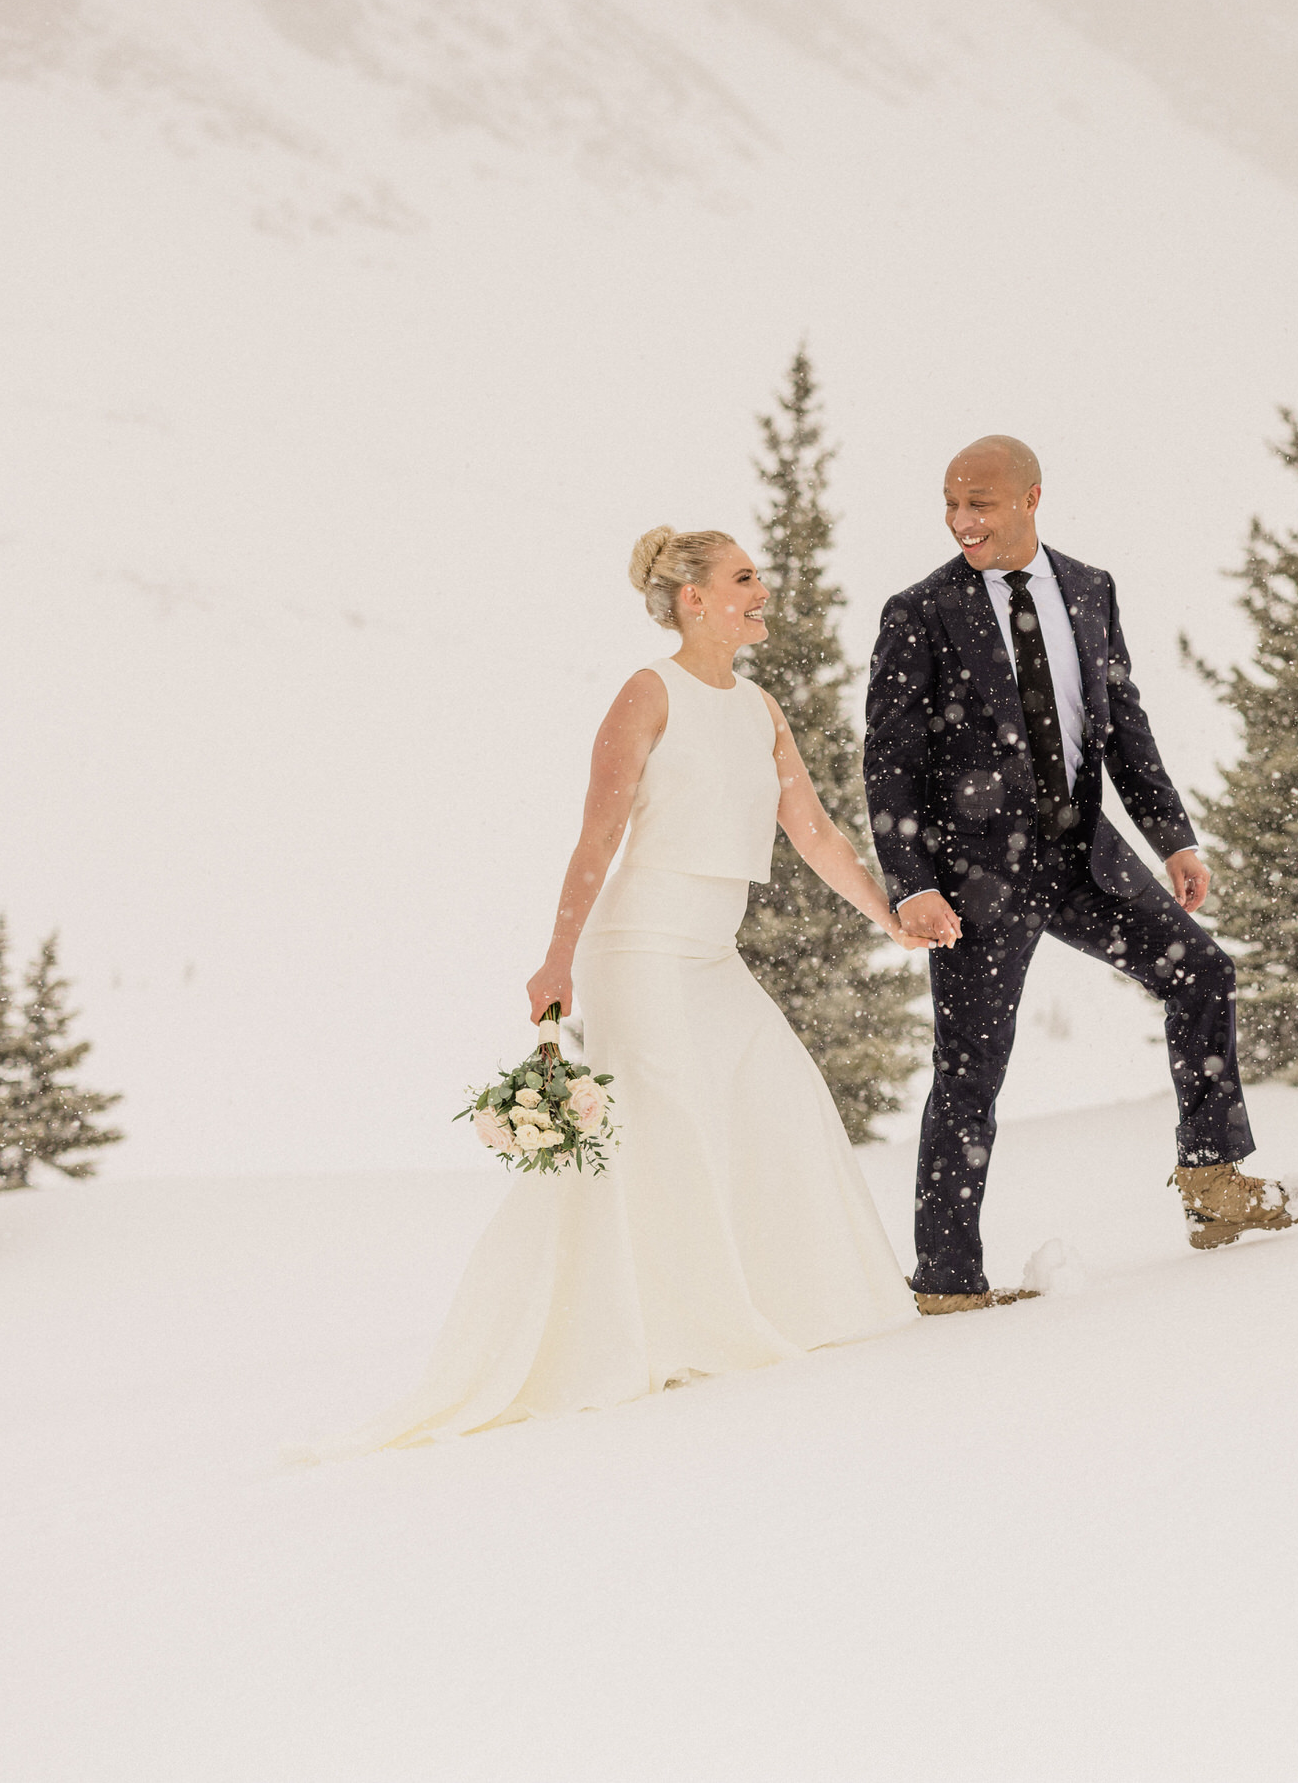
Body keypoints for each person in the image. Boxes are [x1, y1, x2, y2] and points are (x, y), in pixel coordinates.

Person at [324, 527, 922, 1454]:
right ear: (692, 598)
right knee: (664, 1126)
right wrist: (556, 958)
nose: (763, 590)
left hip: (711, 957)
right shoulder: (648, 695)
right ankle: (664, 1330)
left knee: (781, 1090)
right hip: (637, 952)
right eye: (743, 578)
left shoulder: (761, 708)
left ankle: (784, 1303)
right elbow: (597, 838)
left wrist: (890, 917)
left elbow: (813, 832)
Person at [866, 435, 1298, 1314]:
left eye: (982, 503)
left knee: (1203, 973)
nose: (963, 520)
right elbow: (888, 763)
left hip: (1085, 858)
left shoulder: (1089, 589)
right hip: (974, 880)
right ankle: (947, 1278)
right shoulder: (919, 611)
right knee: (971, 1070)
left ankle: (1214, 1181)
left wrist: (1172, 836)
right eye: (952, 504)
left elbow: (1122, 723)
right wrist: (913, 882)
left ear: (1032, 498)